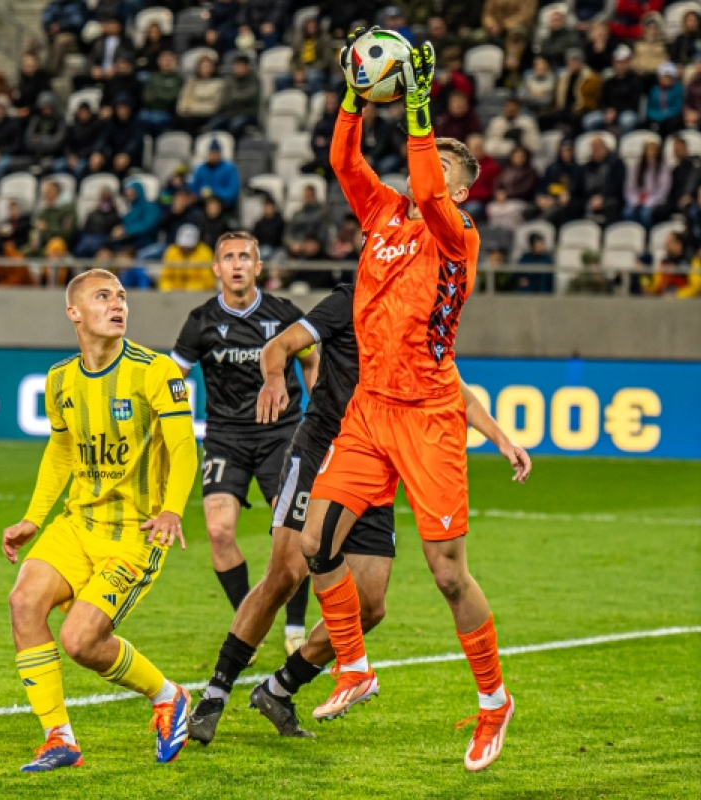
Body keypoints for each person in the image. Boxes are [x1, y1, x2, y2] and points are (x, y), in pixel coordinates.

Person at [298, 33, 514, 772]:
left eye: (449, 166)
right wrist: (357, 101)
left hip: (427, 415)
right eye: (432, 153)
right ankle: (353, 668)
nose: (433, 170)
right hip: (369, 408)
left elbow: (425, 188)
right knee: (314, 542)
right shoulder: (384, 215)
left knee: (448, 572)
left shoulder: (457, 235)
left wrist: (419, 110)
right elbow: (342, 163)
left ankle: (493, 702)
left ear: (461, 188)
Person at [188, 283, 531, 745]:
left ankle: (280, 688)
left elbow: (453, 386)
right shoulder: (351, 298)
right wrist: (274, 377)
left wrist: (500, 437)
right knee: (287, 571)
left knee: (369, 606)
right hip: (320, 452)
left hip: (378, 462)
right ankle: (215, 693)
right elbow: (280, 346)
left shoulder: (421, 306)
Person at [1, 268, 197, 771]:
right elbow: (62, 450)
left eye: (122, 296)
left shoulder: (155, 372)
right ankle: (58, 738)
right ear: (75, 313)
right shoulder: (60, 379)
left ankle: (168, 695)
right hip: (76, 525)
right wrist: (32, 518)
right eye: (103, 296)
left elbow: (182, 446)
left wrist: (172, 507)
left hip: (134, 532)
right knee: (24, 602)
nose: (118, 304)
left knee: (80, 641)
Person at [170, 231, 318, 646]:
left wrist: (318, 412)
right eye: (228, 258)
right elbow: (173, 375)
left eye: (244, 257)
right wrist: (167, 413)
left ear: (258, 267)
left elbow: (310, 360)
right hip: (225, 438)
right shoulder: (201, 321)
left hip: (282, 435)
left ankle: (293, 627)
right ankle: (247, 622)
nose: (236, 264)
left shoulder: (284, 313)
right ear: (216, 269)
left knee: (290, 531)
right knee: (218, 531)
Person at [624, 140, 670, 230]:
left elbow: (664, 189)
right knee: (627, 212)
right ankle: (634, 233)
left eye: (653, 150)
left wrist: (650, 201)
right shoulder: (636, 166)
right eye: (648, 150)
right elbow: (629, 187)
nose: (651, 152)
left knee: (646, 213)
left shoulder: (663, 168)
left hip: (654, 200)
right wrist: (634, 200)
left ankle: (647, 235)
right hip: (637, 198)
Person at [158, 223, 216, 290]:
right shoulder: (171, 252)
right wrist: (170, 289)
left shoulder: (204, 253)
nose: (185, 248)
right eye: (182, 246)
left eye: (188, 246)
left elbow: (208, 283)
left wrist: (187, 290)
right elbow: (164, 278)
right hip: (173, 293)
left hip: (197, 294)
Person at [190, 138, 240, 211]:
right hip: (202, 203)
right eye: (211, 153)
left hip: (223, 204)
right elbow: (193, 188)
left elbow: (233, 191)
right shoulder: (201, 169)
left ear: (220, 154)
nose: (213, 156)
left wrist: (214, 193)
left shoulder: (229, 168)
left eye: (216, 153)